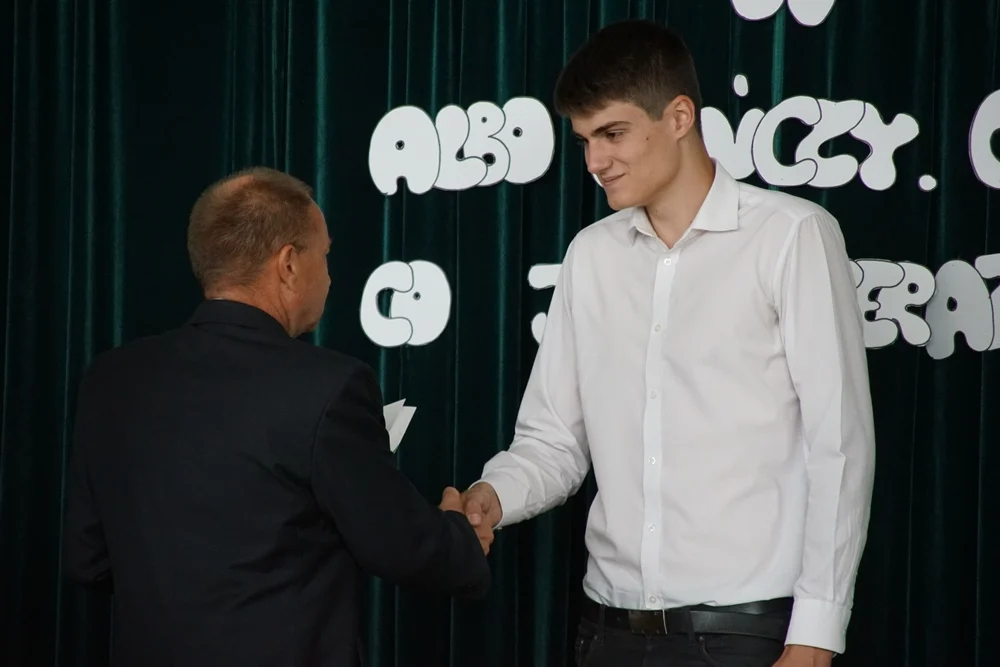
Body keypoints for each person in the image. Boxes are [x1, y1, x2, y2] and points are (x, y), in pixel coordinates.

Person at [460, 19, 876, 667]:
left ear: (680, 117)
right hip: (607, 631)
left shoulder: (791, 237)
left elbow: (839, 446)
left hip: (746, 633)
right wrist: (493, 497)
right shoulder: (591, 256)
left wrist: (816, 634)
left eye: (613, 133)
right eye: (584, 140)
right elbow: (553, 440)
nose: (595, 161)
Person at [62, 167, 493, 667]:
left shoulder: (110, 379)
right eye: (325, 255)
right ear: (288, 264)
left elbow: (86, 561)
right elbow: (401, 547)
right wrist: (462, 536)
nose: (329, 276)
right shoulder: (330, 387)